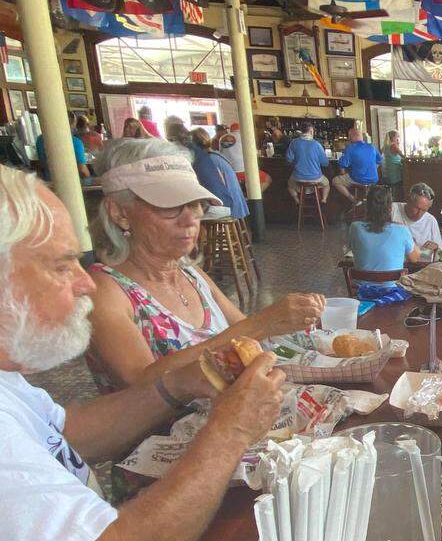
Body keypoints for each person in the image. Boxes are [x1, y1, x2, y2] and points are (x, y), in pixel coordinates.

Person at [0, 163, 286, 541]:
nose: (84, 283)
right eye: (60, 265)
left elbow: (72, 435)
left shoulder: (10, 387)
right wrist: (231, 428)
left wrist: (174, 385)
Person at [86, 138, 325, 392]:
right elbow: (140, 386)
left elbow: (247, 338)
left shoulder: (190, 273)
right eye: (170, 207)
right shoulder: (103, 291)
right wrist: (263, 322)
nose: (190, 219)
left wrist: (288, 324)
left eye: (194, 204)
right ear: (120, 213)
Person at [347, 185, 418, 288]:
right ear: (390, 209)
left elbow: (353, 249)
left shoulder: (355, 228)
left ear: (367, 207)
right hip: (392, 294)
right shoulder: (402, 230)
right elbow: (414, 258)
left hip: (363, 293)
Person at [187, 128, 250, 221]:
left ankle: (201, 236)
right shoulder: (215, 155)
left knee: (190, 214)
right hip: (238, 204)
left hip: (230, 207)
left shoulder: (206, 160)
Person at [217, 123, 271, 194]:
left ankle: (244, 196)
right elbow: (254, 153)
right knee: (268, 179)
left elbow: (221, 154)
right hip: (245, 171)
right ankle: (252, 196)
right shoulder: (246, 136)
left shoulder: (222, 139)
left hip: (229, 172)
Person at [332, 127, 382, 204]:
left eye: (349, 136)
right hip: (374, 179)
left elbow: (342, 165)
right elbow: (380, 160)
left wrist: (343, 174)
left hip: (358, 179)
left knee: (335, 181)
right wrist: (372, 168)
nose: (349, 138)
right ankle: (367, 201)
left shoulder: (351, 148)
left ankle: (354, 200)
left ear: (353, 136)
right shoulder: (372, 146)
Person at [391, 182, 442, 250]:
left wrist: (436, 247)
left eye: (424, 210)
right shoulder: (392, 210)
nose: (419, 214)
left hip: (422, 259)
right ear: (408, 199)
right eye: (417, 208)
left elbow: (440, 249)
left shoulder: (431, 220)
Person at [286, 124, 329, 204]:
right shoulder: (317, 144)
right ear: (311, 132)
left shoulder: (294, 142)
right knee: (326, 184)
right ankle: (323, 199)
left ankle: (297, 200)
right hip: (316, 179)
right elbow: (325, 163)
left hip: (298, 178)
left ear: (301, 131)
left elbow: (289, 159)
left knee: (290, 185)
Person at [380, 130, 403, 195]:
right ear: (392, 137)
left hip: (389, 170)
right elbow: (403, 156)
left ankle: (392, 198)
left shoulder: (385, 146)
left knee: (393, 187)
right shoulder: (394, 146)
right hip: (396, 170)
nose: (398, 138)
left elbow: (380, 154)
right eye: (397, 136)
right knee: (398, 187)